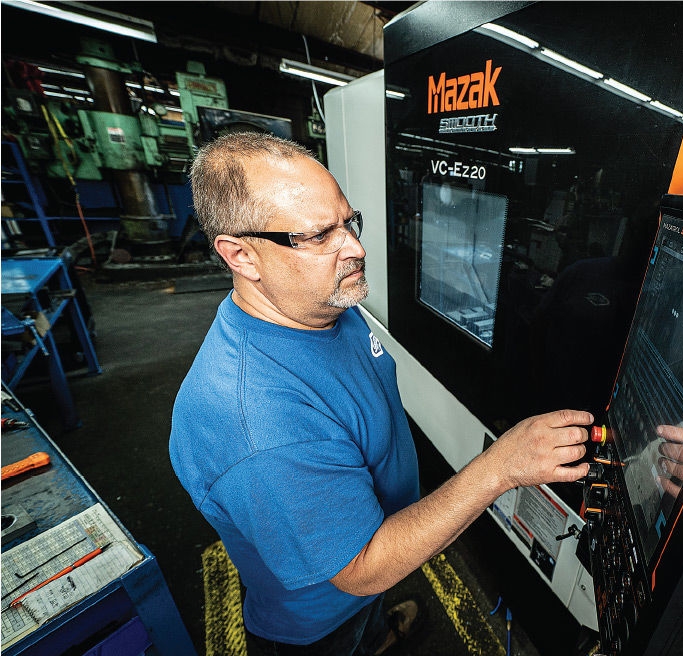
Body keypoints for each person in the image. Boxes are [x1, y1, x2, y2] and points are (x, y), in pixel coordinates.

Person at [168, 131, 592, 655]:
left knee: (368, 622)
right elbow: (363, 568)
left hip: (360, 589)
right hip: (316, 626)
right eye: (319, 236)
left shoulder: (319, 306)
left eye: (349, 222)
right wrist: (500, 467)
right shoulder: (259, 425)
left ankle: (377, 633)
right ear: (242, 256)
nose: (355, 248)